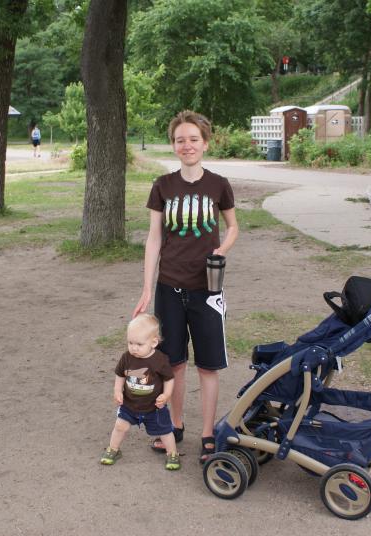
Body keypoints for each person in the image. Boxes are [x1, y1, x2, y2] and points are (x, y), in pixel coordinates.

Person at [132, 110, 239, 464]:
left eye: (194, 139)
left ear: (205, 143)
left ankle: (208, 434)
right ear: (173, 145)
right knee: (173, 363)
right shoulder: (162, 186)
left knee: (208, 366)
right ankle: (175, 427)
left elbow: (233, 227)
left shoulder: (219, 184)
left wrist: (222, 249)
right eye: (180, 140)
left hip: (207, 289)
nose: (187, 145)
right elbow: (154, 238)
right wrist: (147, 288)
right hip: (169, 288)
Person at [100, 313, 180, 470]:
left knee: (165, 431)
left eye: (139, 344)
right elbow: (120, 375)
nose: (134, 348)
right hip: (129, 405)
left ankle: (172, 453)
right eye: (130, 343)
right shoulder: (126, 358)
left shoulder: (160, 360)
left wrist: (166, 395)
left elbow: (169, 379)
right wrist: (117, 391)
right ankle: (113, 449)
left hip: (154, 407)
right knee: (120, 426)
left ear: (153, 342)